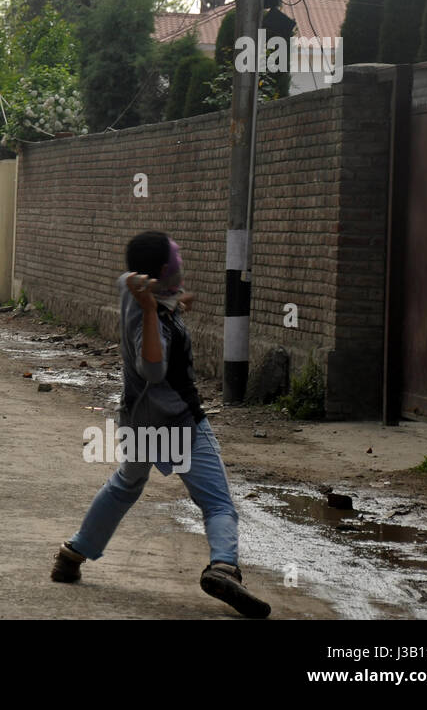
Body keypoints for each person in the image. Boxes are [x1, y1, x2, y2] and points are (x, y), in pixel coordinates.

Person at [51, 231, 270, 619]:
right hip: (177, 421)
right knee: (217, 500)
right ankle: (223, 566)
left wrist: (167, 301)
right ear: (165, 268)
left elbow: (134, 284)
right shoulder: (152, 316)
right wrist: (154, 311)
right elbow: (152, 367)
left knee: (125, 485)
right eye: (176, 254)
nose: (182, 256)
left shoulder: (129, 287)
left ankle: (74, 552)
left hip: (138, 421)